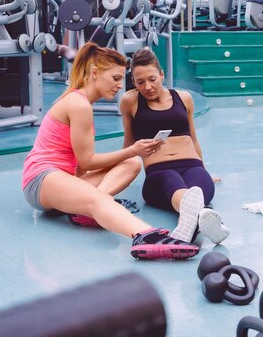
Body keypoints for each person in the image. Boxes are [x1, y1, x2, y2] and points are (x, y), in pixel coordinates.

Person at [22, 43, 199, 260]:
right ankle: (145, 235)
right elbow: (87, 162)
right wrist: (133, 149)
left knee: (132, 163)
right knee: (100, 199)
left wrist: (133, 153)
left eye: (121, 79)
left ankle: (86, 214)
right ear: (95, 73)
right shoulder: (79, 104)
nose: (119, 86)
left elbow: (85, 163)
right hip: (41, 179)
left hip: (67, 178)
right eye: (115, 78)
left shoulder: (82, 102)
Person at [120, 48, 230, 245]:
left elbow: (193, 139)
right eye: (140, 82)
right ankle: (203, 218)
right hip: (158, 173)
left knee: (198, 185)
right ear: (134, 83)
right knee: (171, 179)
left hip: (192, 165)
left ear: (162, 75)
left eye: (152, 79)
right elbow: (128, 145)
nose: (147, 86)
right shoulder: (130, 101)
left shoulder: (184, 98)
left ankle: (190, 221)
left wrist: (204, 169)